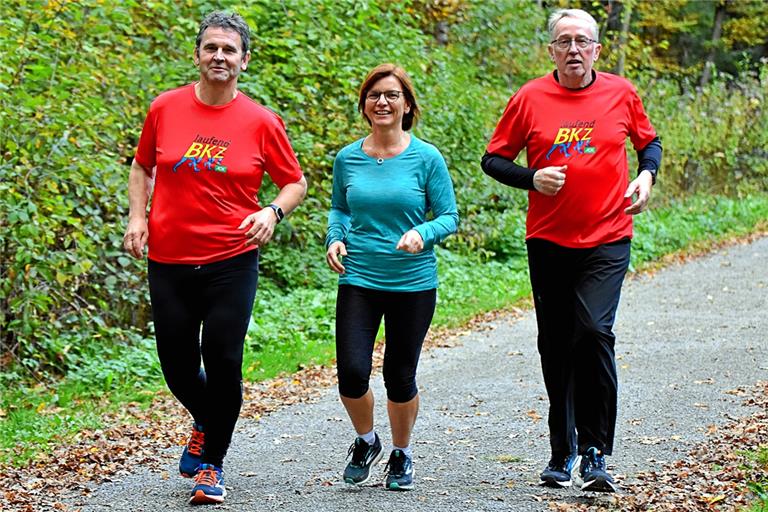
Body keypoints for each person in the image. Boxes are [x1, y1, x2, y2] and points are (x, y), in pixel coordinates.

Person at [122, 11, 307, 505]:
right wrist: (137, 218)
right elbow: (142, 166)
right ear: (198, 55)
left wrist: (272, 211)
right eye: (212, 48)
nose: (219, 56)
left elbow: (295, 182)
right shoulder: (165, 108)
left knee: (223, 359)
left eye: (230, 50)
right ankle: (207, 418)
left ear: (244, 60)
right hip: (169, 258)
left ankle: (212, 464)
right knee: (176, 364)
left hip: (231, 258)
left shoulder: (262, 121)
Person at [481, 8, 662, 493]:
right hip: (548, 239)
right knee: (556, 343)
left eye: (583, 41)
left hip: (607, 237)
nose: (574, 49)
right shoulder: (530, 97)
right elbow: (493, 159)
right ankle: (562, 450)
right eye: (565, 42)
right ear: (552, 51)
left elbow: (650, 144)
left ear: (597, 49)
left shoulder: (621, 93)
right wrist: (531, 178)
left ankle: (596, 452)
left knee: (593, 333)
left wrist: (646, 176)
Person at [325, 63, 458, 491]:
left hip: (412, 283)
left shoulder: (427, 157)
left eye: (391, 95)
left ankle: (401, 453)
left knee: (399, 376)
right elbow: (340, 209)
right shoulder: (347, 158)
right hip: (359, 277)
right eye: (374, 95)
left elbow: (450, 217)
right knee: (351, 371)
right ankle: (366, 441)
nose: (382, 102)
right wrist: (335, 238)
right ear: (364, 105)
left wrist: (423, 232)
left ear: (406, 105)